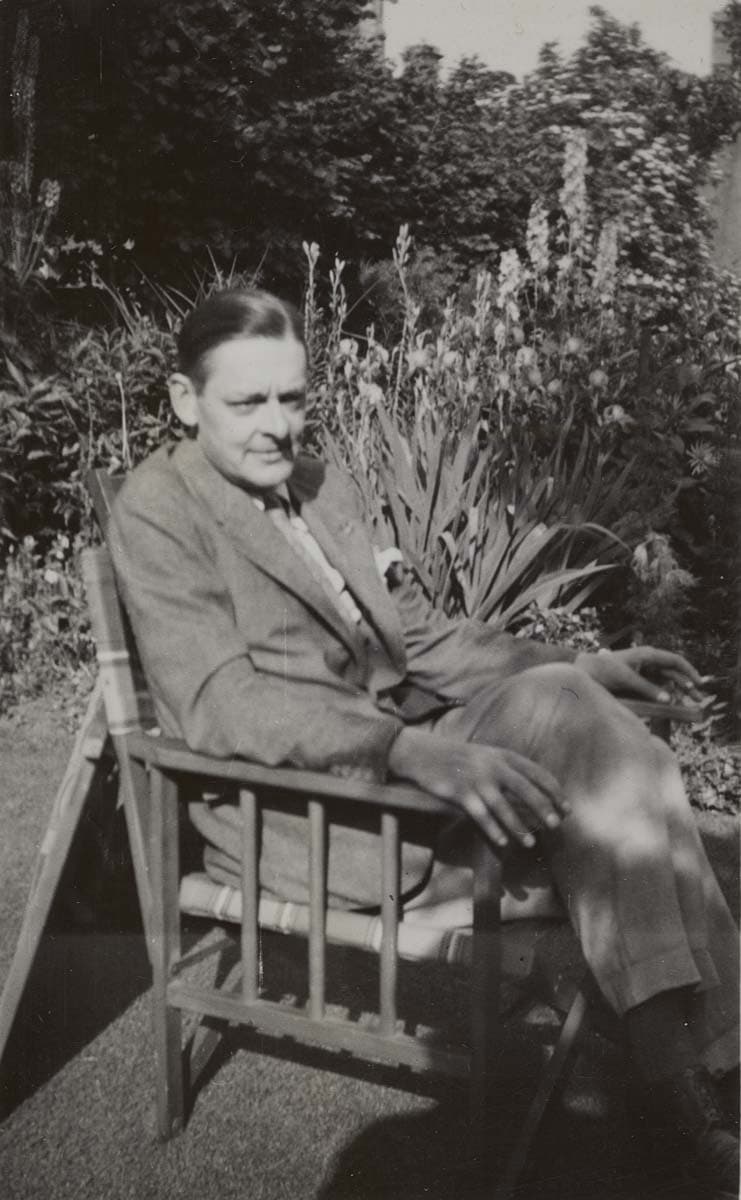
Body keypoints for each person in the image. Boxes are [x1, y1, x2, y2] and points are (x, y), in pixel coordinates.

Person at [111, 288, 739, 1197]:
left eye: (293, 398)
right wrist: (406, 753)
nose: (278, 426)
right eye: (247, 403)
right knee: (612, 797)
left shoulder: (323, 489)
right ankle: (694, 1084)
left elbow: (422, 638)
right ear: (183, 399)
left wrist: (584, 662)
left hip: (408, 777)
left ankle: (684, 1086)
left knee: (583, 724)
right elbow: (223, 703)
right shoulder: (158, 511)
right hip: (316, 815)